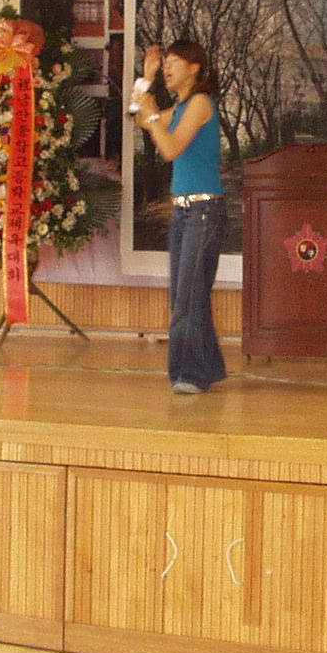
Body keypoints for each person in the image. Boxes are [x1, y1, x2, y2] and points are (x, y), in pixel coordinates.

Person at [135, 40, 228, 394]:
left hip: (204, 212)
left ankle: (190, 375)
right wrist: (146, 80)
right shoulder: (181, 106)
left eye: (175, 61)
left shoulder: (201, 103)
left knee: (188, 296)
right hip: (184, 211)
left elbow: (170, 148)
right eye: (166, 62)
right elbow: (139, 118)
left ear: (195, 67)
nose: (168, 67)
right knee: (185, 296)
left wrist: (152, 113)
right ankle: (206, 369)